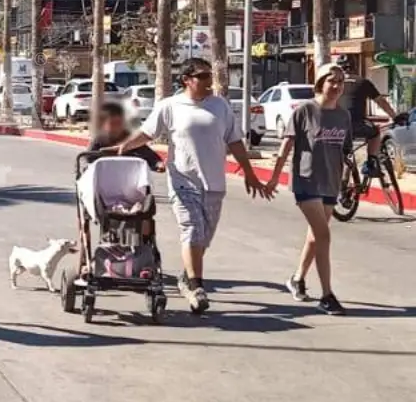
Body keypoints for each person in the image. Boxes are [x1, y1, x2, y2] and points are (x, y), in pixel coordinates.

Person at [110, 58, 272, 314]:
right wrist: (123, 146)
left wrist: (250, 173)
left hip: (215, 184)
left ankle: (187, 277)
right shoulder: (170, 106)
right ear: (187, 79)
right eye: (203, 76)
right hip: (183, 181)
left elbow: (235, 141)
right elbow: (148, 133)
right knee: (192, 230)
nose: (209, 81)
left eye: (210, 76)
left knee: (203, 239)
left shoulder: (220, 106)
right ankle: (197, 286)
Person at [268, 63, 352, 316]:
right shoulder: (305, 110)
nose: (336, 86)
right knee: (324, 235)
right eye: (331, 80)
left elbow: (345, 152)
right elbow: (286, 146)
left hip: (331, 182)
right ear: (320, 82)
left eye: (340, 81)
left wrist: (347, 182)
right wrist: (274, 177)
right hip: (306, 181)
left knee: (316, 237)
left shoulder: (343, 115)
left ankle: (297, 279)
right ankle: (327, 295)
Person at [335, 54, 403, 179]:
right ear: (355, 67)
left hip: (334, 126)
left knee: (344, 153)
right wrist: (394, 116)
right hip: (357, 124)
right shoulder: (363, 82)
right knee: (375, 132)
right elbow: (381, 102)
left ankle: (342, 188)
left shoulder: (334, 84)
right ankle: (371, 164)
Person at [88, 103, 164, 171]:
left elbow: (149, 155)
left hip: (127, 177)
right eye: (112, 123)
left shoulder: (129, 139)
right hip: (104, 174)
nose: (115, 126)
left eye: (118, 123)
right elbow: (88, 158)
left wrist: (157, 163)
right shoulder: (99, 139)